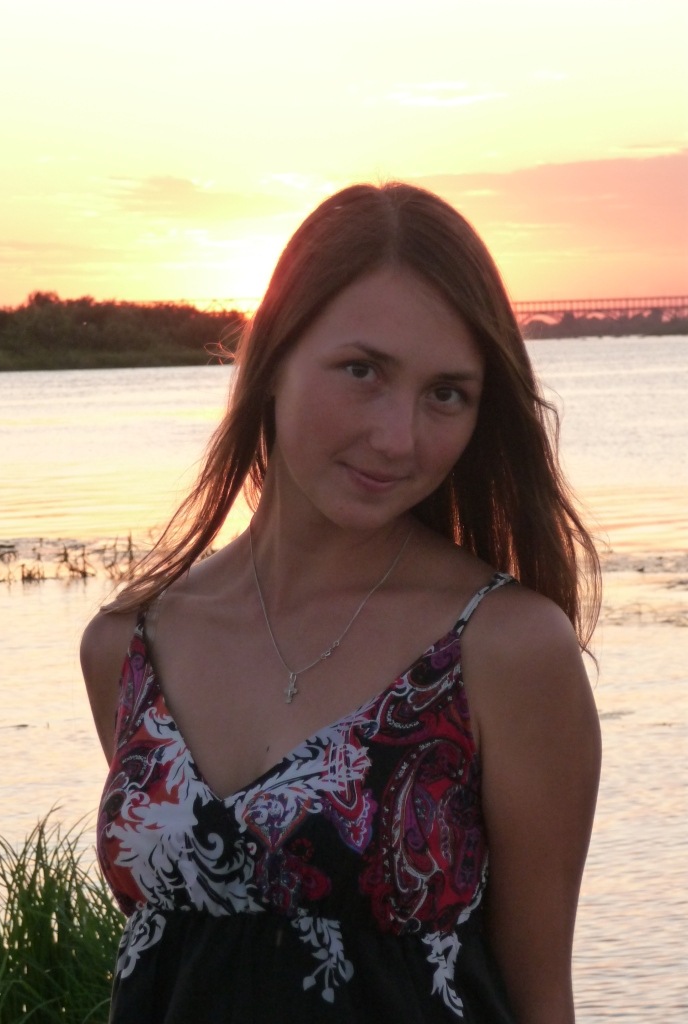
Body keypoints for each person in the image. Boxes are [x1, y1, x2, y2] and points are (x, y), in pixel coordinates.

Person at [81, 182, 602, 1023]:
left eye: (446, 394)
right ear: (273, 358)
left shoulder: (503, 650)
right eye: (363, 372)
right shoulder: (131, 647)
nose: (398, 438)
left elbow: (542, 1000)